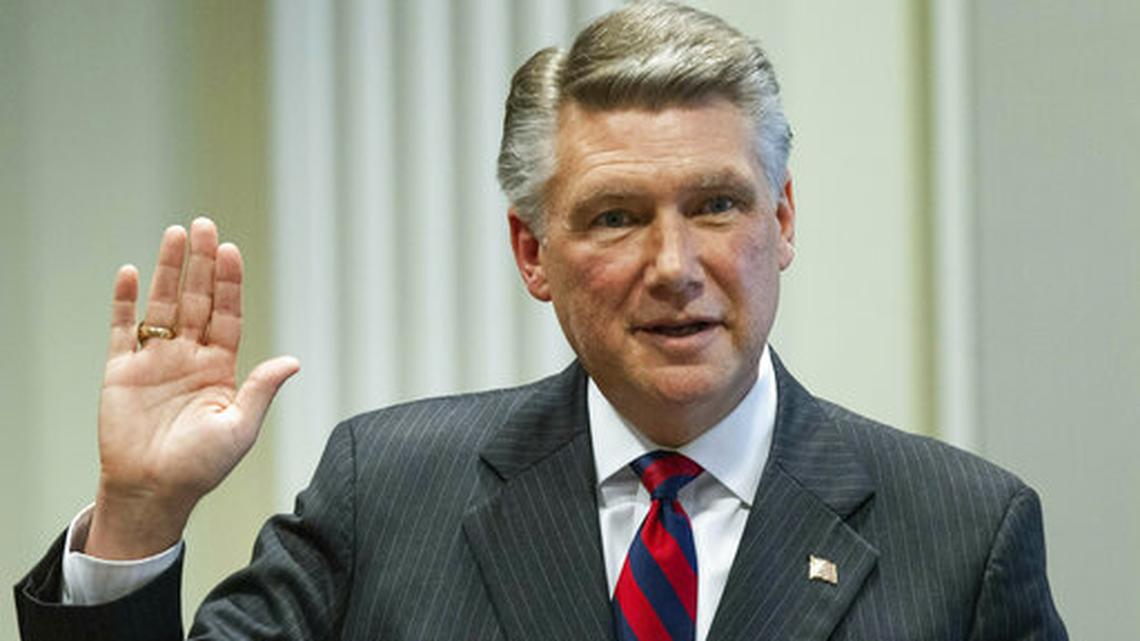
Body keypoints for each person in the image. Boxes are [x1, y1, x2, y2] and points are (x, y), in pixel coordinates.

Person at [15, 2, 1067, 640]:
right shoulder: (388, 493)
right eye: (616, 217)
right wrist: (139, 515)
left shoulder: (962, 534)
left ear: (781, 220)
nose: (675, 267)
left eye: (716, 204)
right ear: (533, 252)